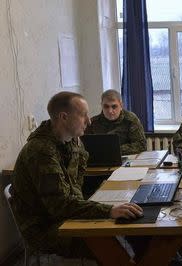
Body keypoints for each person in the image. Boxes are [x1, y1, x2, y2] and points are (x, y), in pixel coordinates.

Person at [10, 92, 143, 257]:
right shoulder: (41, 151)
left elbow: (75, 185)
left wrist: (102, 205)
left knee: (134, 224)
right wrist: (108, 210)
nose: (88, 121)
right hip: (44, 227)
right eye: (83, 115)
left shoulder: (71, 140)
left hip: (65, 213)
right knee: (110, 247)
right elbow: (60, 205)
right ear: (64, 117)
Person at [85, 89, 147, 155]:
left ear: (121, 106)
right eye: (106, 106)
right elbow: (84, 145)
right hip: (100, 158)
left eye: (114, 106)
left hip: (125, 158)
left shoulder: (130, 120)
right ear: (101, 106)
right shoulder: (93, 122)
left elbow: (141, 145)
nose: (110, 111)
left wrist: (114, 149)